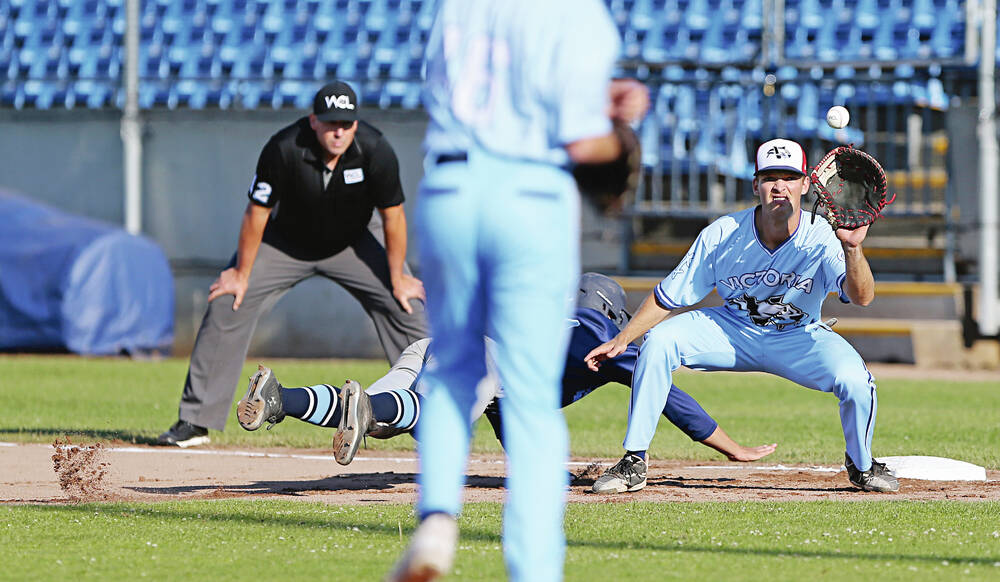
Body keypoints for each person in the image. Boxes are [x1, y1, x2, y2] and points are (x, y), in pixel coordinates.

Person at [388, 2, 650, 580]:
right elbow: (584, 144)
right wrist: (622, 135)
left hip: (450, 189)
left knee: (455, 371)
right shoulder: (580, 15)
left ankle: (436, 520)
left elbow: (490, 91)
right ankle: (533, 569)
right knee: (529, 394)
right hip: (530, 194)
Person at [585, 138, 899, 495]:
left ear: (806, 185)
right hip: (732, 329)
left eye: (789, 176)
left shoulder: (823, 237)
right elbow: (668, 296)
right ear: (755, 185)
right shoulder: (723, 234)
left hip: (799, 335)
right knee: (659, 341)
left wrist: (852, 248)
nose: (779, 186)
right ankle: (634, 460)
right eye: (769, 177)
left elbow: (862, 298)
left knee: (856, 381)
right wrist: (622, 339)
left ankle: (862, 466)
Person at [234, 273, 778, 469]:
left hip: (439, 348)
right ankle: (368, 408)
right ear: (611, 309)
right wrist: (732, 447)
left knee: (377, 415)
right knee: (423, 419)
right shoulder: (599, 335)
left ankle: (283, 400)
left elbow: (510, 416)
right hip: (482, 362)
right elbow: (668, 394)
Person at [156, 81, 428, 448]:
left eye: (346, 124)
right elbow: (257, 212)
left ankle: (431, 413)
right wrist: (240, 274)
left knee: (408, 304)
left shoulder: (375, 150)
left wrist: (398, 277)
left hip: (355, 240)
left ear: (356, 125)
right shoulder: (284, 148)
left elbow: (393, 216)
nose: (339, 131)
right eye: (331, 122)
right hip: (287, 241)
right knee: (228, 300)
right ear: (313, 121)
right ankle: (195, 420)